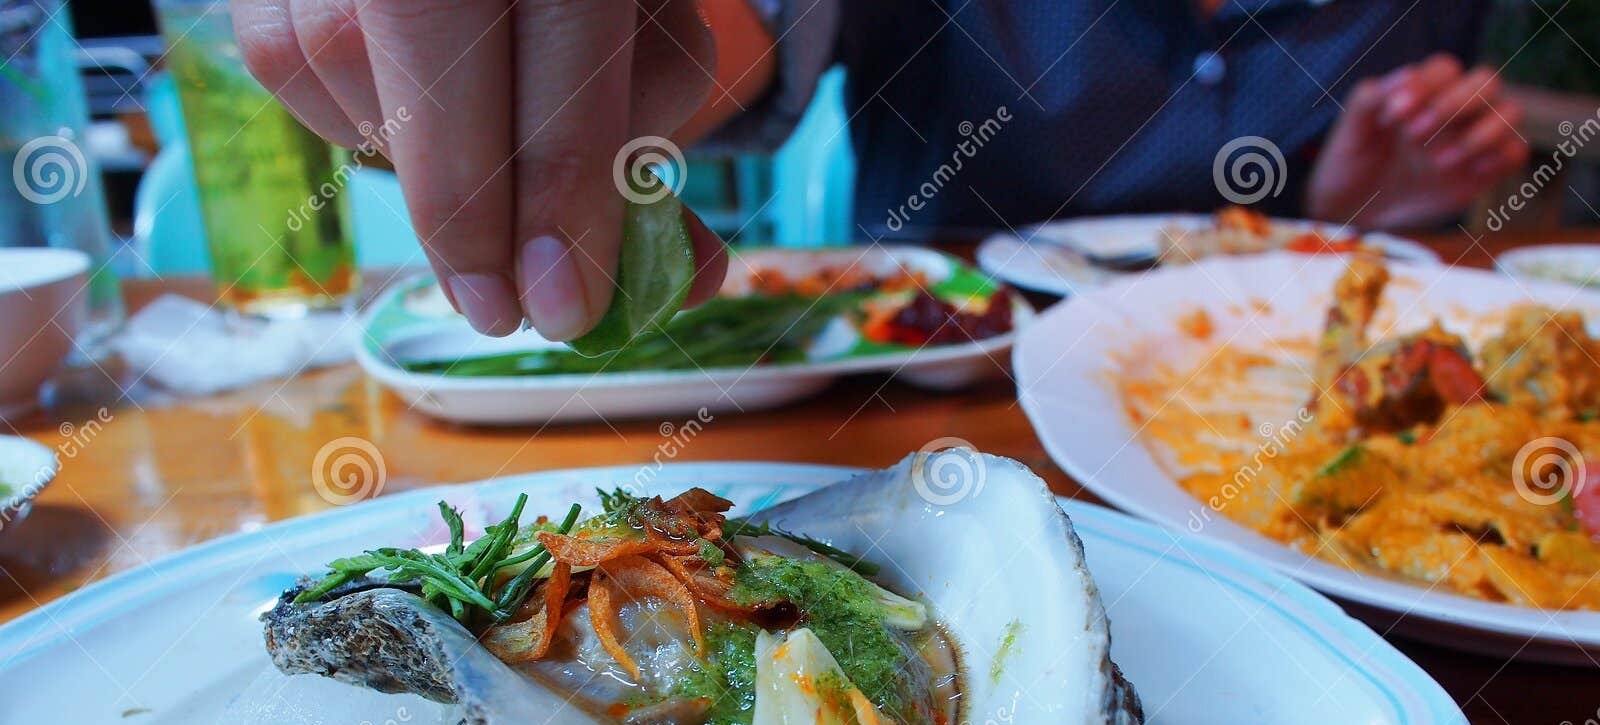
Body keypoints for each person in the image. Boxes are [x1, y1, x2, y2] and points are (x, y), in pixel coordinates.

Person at [232, 0, 1529, 339]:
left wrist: (1351, 216)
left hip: (1264, 372)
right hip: (908, 406)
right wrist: (622, 54)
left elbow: (1349, 252)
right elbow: (725, 37)